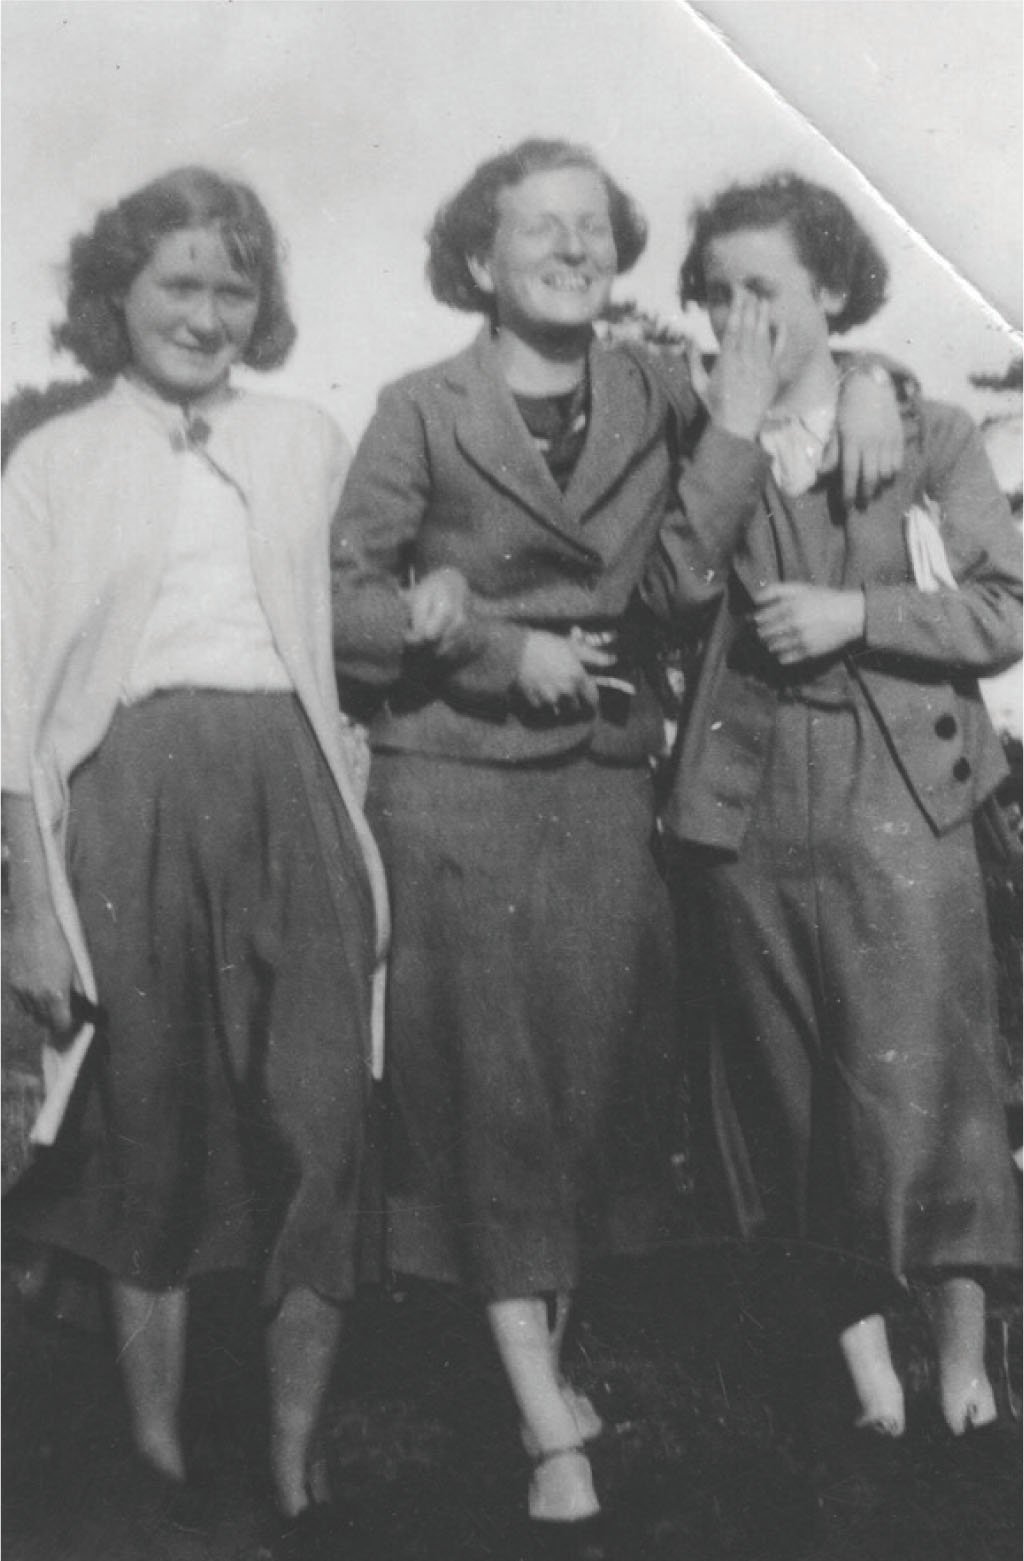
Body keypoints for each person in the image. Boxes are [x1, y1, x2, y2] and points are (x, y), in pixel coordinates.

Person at [330, 138, 905, 1549]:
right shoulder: (419, 408)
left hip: (599, 790)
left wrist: (860, 383)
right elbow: (346, 605)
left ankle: (545, 1368)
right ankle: (541, 1418)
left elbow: (684, 571)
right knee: (487, 1098)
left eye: (595, 227)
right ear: (480, 258)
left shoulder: (658, 386)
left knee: (580, 1101)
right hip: (454, 783)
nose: (574, 250)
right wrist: (480, 640)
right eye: (541, 229)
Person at [2, 167, 391, 1548]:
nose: (208, 312)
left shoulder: (301, 436)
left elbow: (367, 606)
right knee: (147, 1130)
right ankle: (158, 1464)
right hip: (128, 799)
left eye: (235, 287)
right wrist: (31, 909)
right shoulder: (54, 461)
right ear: (119, 294)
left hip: (291, 786)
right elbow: (9, 700)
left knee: (319, 1123)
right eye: (180, 282)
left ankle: (292, 1460)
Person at [645, 172, 1022, 1441]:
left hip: (900, 790)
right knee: (783, 1094)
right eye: (718, 290)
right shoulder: (694, 427)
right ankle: (869, 1382)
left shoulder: (928, 435)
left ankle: (964, 1372)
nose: (737, 313)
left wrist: (858, 614)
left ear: (830, 294)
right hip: (744, 809)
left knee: (933, 1090)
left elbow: (1003, 607)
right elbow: (669, 591)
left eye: (767, 288)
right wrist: (735, 431)